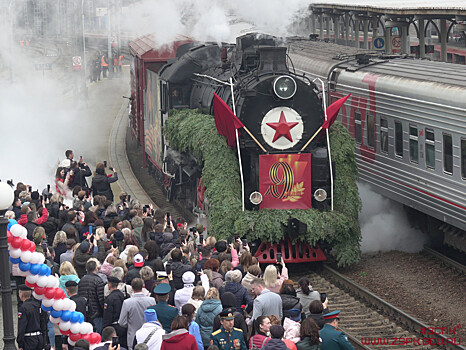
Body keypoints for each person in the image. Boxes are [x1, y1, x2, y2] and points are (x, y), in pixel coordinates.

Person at [118, 278, 156, 350]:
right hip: (150, 336)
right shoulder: (151, 300)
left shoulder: (127, 302)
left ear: (132, 287)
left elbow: (122, 322)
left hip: (133, 337)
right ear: (143, 286)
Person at [78, 260, 106, 334]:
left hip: (85, 312)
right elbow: (101, 298)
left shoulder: (81, 280)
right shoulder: (98, 281)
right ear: (96, 268)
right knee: (98, 334)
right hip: (96, 312)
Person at [17, 285, 43, 350]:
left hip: (29, 340)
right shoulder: (37, 305)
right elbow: (43, 321)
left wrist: (20, 343)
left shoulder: (23, 308)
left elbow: (22, 326)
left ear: (21, 294)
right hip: (39, 337)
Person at [103, 277, 127, 347]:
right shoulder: (123, 296)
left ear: (109, 285)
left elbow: (107, 315)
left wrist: (105, 328)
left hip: (114, 327)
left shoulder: (109, 299)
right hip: (123, 326)